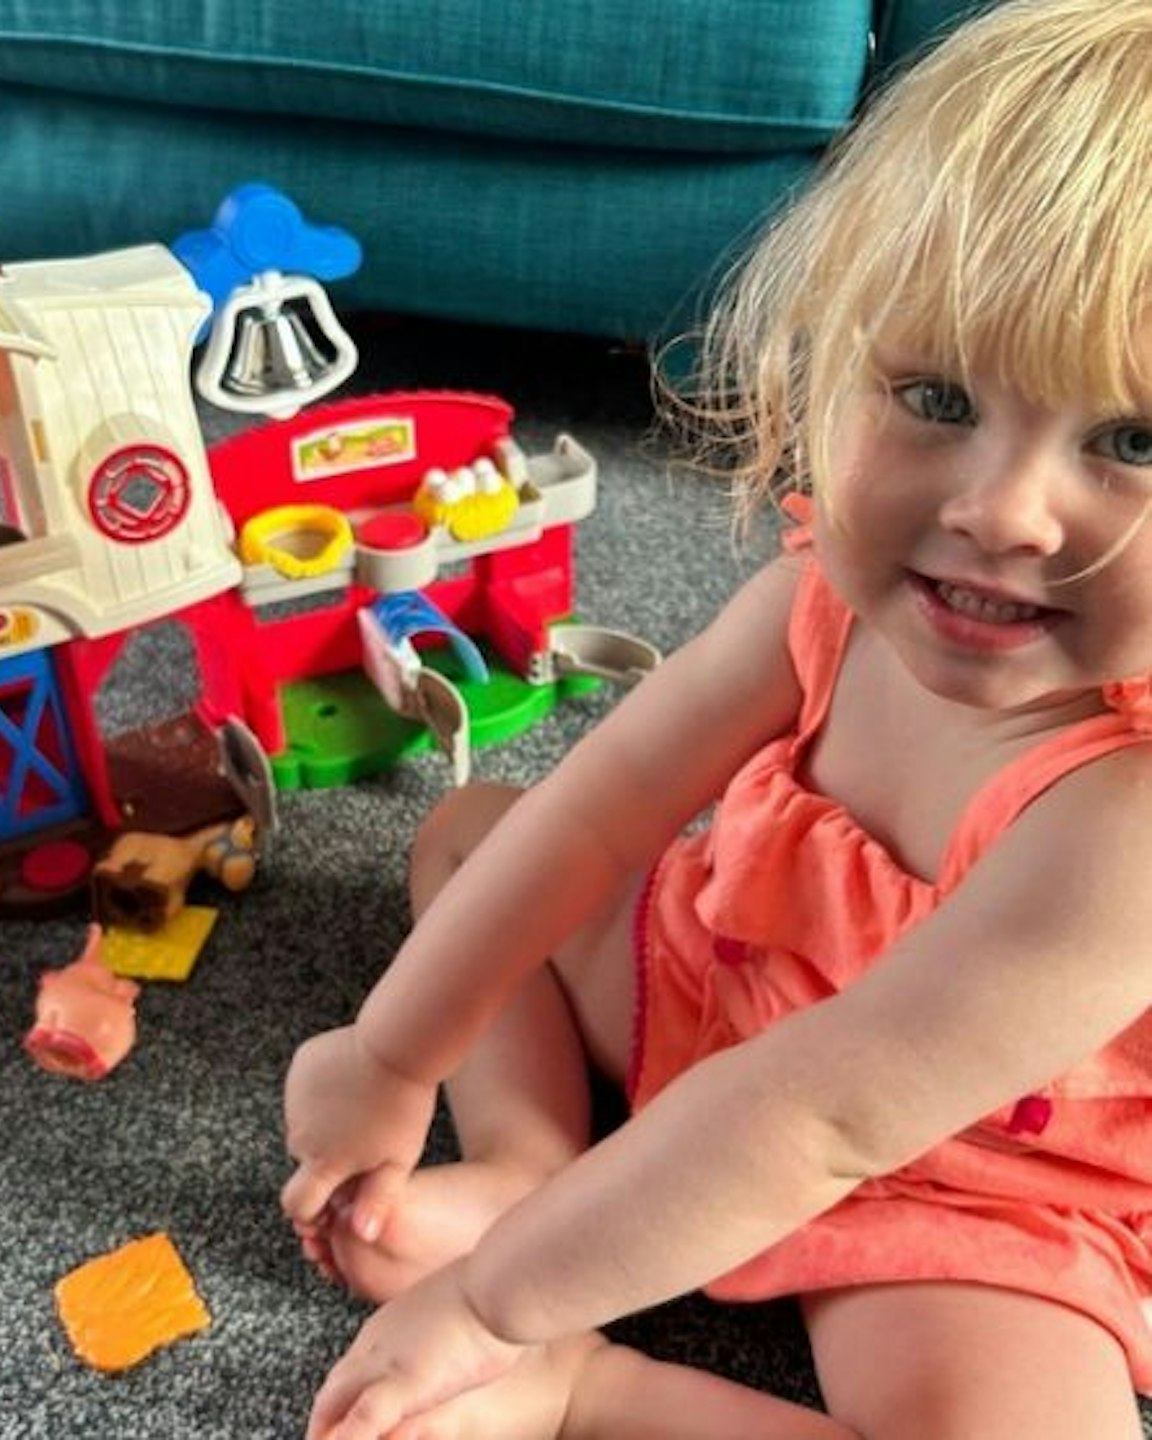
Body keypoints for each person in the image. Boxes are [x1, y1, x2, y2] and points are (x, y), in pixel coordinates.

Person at [281, 0, 1152, 1433]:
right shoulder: (822, 602)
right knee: (477, 833)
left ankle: (596, 1390)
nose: (998, 510)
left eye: (1131, 439)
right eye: (934, 395)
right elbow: (598, 812)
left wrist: (504, 1310)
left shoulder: (1121, 819)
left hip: (975, 1170)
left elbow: (823, 1117)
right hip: (719, 983)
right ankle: (531, 1161)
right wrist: (392, 1057)